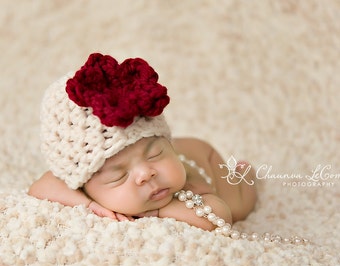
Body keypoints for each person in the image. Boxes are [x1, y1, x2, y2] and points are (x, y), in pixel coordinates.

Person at [28, 53, 257, 232]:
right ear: (82, 184)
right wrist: (90, 205)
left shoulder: (189, 186)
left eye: (155, 154)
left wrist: (158, 213)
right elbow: (41, 186)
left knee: (237, 207)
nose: (146, 174)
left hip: (203, 155)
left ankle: (245, 175)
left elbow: (218, 216)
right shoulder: (83, 179)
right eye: (118, 175)